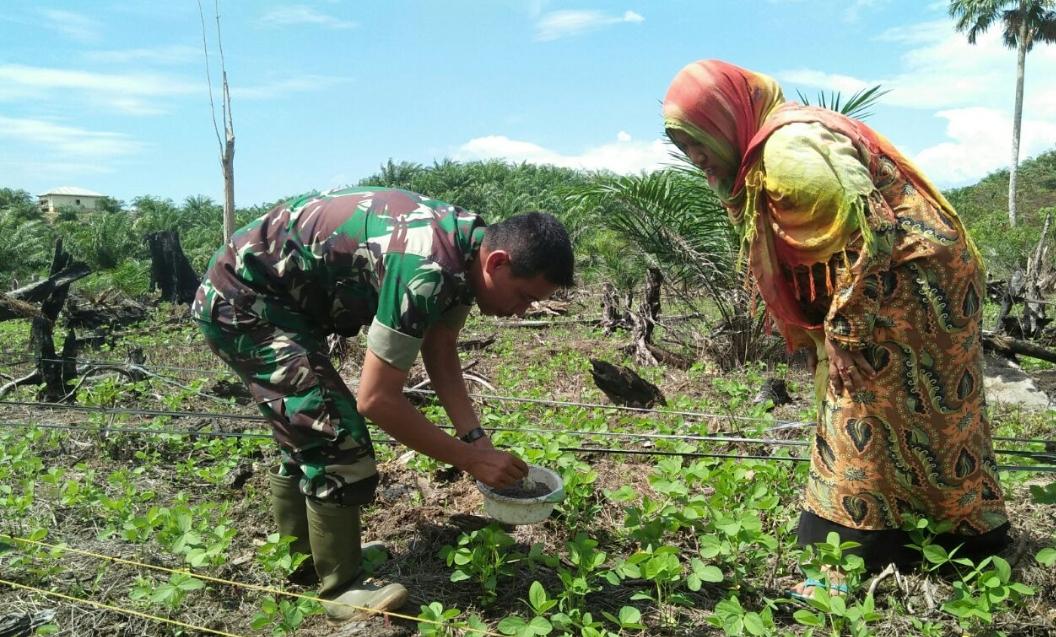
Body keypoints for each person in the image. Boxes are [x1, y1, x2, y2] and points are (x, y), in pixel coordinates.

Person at [662, 60, 1010, 594]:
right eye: (686, 148)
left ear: (724, 117)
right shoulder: (777, 144)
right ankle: (962, 539)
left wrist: (844, 333)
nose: (697, 159)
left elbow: (875, 233)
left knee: (861, 403)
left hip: (909, 281)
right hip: (933, 274)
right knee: (931, 409)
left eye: (698, 142)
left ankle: (841, 561)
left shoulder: (786, 153)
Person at [192, 187, 574, 620]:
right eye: (524, 296)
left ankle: (303, 559)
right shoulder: (426, 266)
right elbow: (375, 400)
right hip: (242, 303)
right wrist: (469, 460)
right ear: (498, 262)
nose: (523, 311)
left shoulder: (468, 246)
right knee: (334, 436)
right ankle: (340, 588)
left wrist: (477, 440)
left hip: (283, 306)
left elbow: (441, 345)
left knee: (305, 425)